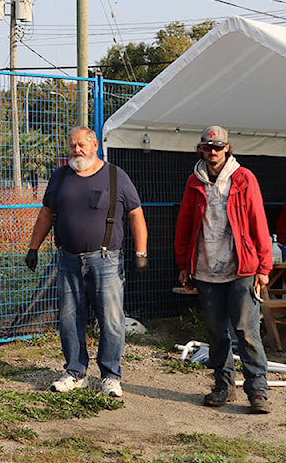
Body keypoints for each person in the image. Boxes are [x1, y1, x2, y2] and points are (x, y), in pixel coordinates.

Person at [24, 126, 148, 398]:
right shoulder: (60, 177)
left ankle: (111, 376)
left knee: (111, 321)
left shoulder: (115, 176)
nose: (76, 150)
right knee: (69, 319)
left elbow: (136, 215)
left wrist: (141, 253)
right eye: (72, 146)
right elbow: (46, 213)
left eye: (81, 145)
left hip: (105, 260)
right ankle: (75, 372)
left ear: (94, 146)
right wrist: (33, 247)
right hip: (67, 260)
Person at [175, 125, 272, 414]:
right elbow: (184, 225)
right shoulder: (194, 182)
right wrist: (184, 264)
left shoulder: (244, 179)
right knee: (217, 332)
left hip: (242, 268)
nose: (213, 151)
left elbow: (258, 222)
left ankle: (257, 391)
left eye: (218, 147)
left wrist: (263, 267)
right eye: (207, 147)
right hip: (205, 270)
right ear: (201, 149)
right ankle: (223, 386)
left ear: (228, 148)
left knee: (247, 331)